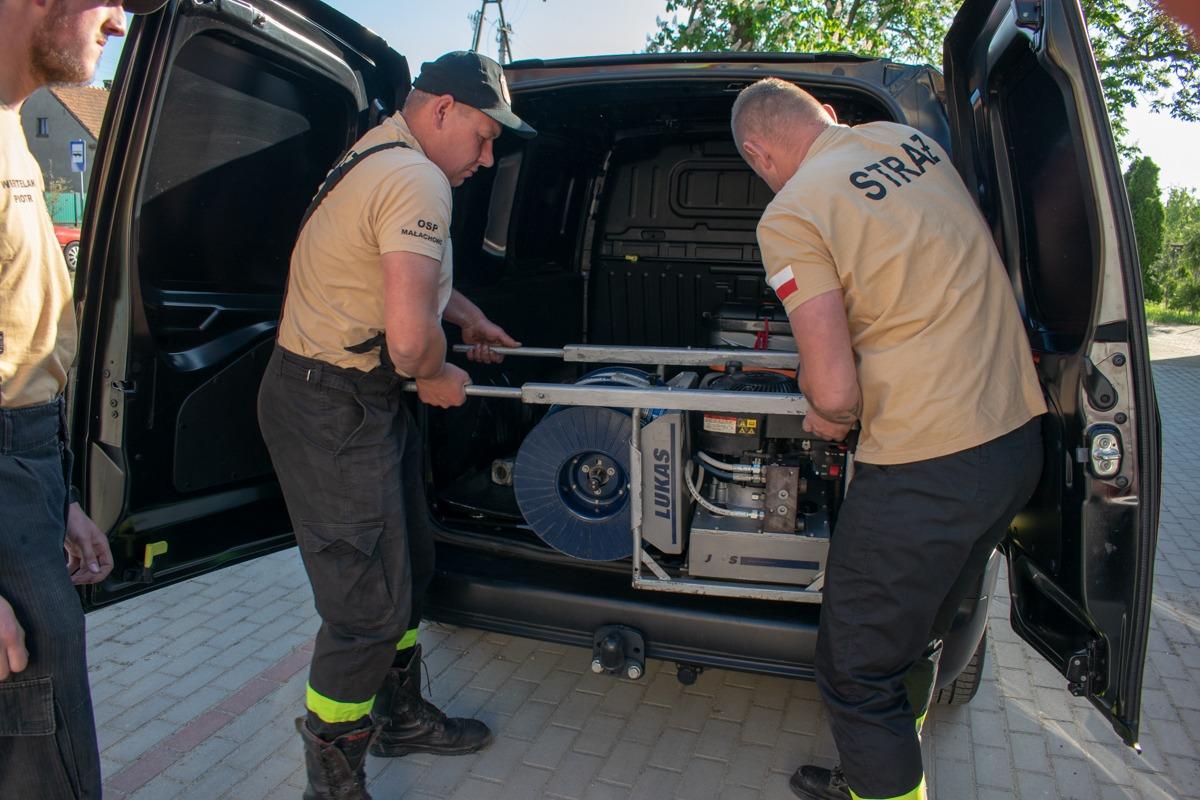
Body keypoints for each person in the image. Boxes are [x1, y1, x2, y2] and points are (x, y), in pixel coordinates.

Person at [731, 78, 1047, 800]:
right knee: (917, 636)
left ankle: (886, 784)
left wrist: (827, 414)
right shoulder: (908, 143)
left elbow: (835, 392)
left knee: (855, 671)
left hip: (926, 466)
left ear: (758, 152)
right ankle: (879, 773)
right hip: (1011, 442)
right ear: (829, 116)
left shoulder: (792, 211)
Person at [257, 51, 534, 800]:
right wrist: (436, 374)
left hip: (355, 398)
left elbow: (387, 271)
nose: (486, 158)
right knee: (363, 614)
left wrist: (465, 316)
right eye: (484, 137)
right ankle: (332, 782)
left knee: (407, 564)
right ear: (443, 109)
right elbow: (410, 345)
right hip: (332, 405)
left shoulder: (380, 152)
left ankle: (400, 715)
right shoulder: (416, 178)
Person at [0, 0, 165, 797]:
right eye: (113, 2)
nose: (121, 25)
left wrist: (59, 497)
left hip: (26, 463)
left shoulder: (14, 129)